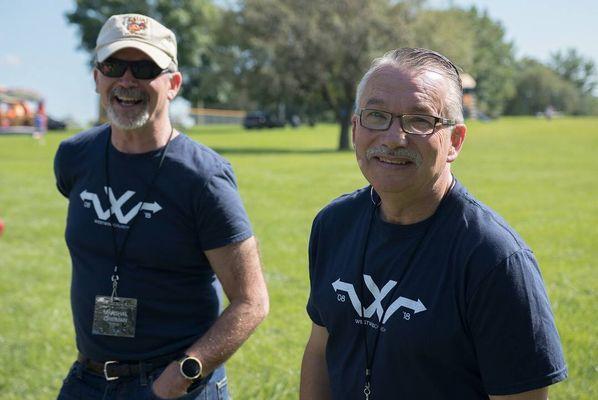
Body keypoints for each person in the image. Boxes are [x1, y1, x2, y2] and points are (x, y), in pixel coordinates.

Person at [300, 48, 567, 400]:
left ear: (455, 141)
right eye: (376, 116)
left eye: (420, 120)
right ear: (355, 129)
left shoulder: (495, 260)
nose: (394, 138)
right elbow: (321, 348)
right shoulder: (333, 225)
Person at [54, 14, 268, 400]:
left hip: (172, 384)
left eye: (145, 68)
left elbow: (252, 300)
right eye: (114, 66)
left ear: (172, 84)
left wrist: (183, 374)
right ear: (96, 77)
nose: (127, 80)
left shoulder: (203, 179)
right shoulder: (74, 158)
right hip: (87, 378)